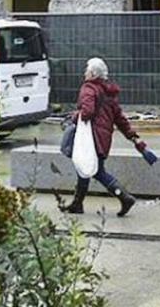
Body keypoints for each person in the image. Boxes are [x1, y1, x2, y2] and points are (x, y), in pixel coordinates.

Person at [61, 57, 145, 217]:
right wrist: (133, 137)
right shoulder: (108, 92)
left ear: (92, 73)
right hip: (103, 138)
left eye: (87, 70)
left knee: (97, 171)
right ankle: (77, 204)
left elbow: (87, 112)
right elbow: (120, 118)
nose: (84, 72)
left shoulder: (89, 89)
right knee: (84, 167)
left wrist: (75, 115)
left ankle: (124, 197)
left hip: (90, 138)